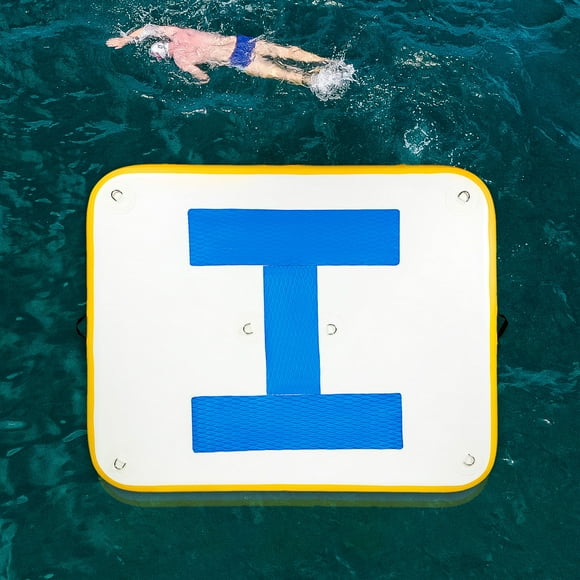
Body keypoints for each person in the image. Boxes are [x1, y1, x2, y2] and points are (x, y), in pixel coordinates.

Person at [106, 24, 337, 89]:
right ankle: (324, 61)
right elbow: (149, 28)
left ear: (163, 57)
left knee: (282, 74)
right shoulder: (178, 32)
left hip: (238, 60)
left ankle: (314, 80)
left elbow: (203, 77)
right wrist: (126, 39)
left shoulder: (181, 60)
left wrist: (198, 80)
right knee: (286, 52)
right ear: (164, 41)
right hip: (239, 42)